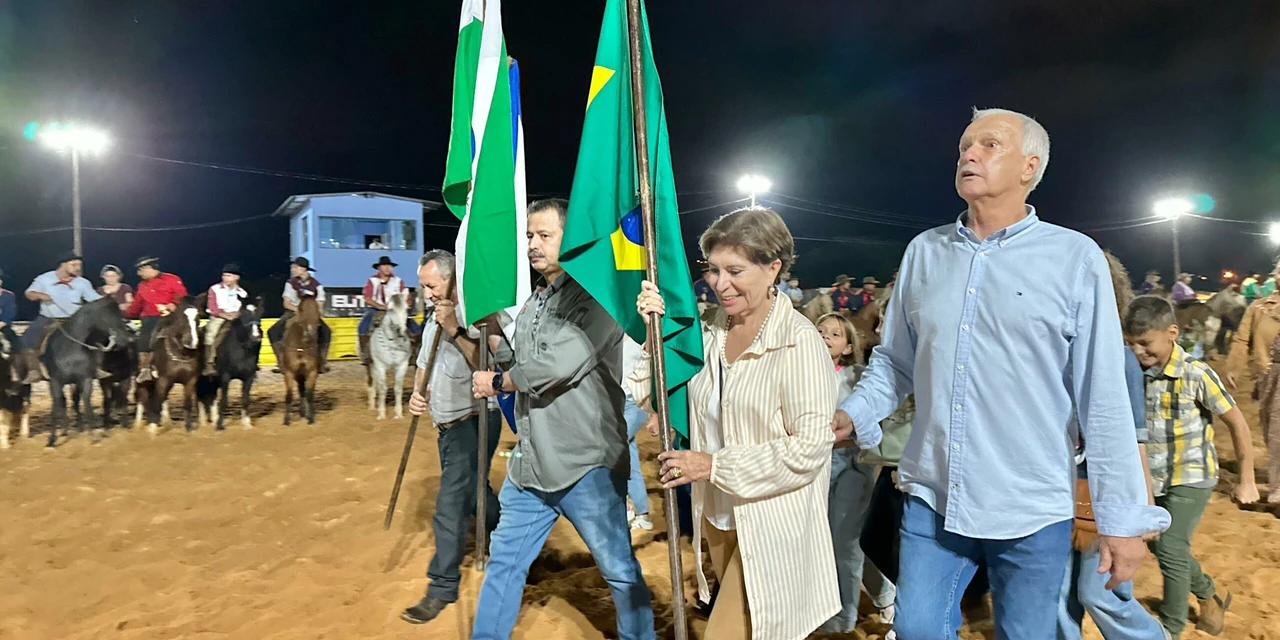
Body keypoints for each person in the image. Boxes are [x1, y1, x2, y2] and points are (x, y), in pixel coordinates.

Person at [832, 108, 1168, 639]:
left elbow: (1102, 399)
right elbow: (896, 362)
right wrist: (854, 413)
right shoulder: (925, 253)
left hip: (1031, 506)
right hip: (936, 497)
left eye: (989, 145)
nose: (969, 154)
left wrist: (1123, 520)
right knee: (918, 630)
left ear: (1030, 167)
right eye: (964, 146)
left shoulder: (1074, 259)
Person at [633, 206, 840, 640]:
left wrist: (713, 465)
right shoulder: (709, 330)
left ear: (773, 268)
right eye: (713, 269)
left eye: (735, 271)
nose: (719, 283)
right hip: (719, 517)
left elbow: (809, 449)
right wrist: (655, 332)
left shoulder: (799, 343)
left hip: (772, 525)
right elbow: (653, 395)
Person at [468, 199, 654, 640]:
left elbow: (557, 366)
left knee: (620, 572)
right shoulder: (536, 302)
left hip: (585, 466)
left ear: (569, 240)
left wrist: (498, 383)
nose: (533, 244)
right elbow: (521, 358)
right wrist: (493, 331)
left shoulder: (597, 299)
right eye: (529, 236)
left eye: (544, 235)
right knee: (504, 564)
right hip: (531, 468)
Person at [1124, 295, 1258, 637]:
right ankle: (1209, 595)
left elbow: (1237, 423)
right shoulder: (1133, 374)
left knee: (1170, 547)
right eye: (1131, 343)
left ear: (1172, 333)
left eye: (1145, 343)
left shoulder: (1196, 373)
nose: (1138, 351)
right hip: (1154, 477)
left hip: (1192, 475)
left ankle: (1172, 626)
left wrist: (1246, 479)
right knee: (1160, 543)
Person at [1056, 252, 1169, 640]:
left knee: (1100, 592)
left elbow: (1134, 438)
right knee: (1056, 599)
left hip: (1103, 496)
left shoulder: (1119, 359)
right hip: (1052, 493)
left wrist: (1143, 506)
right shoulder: (1046, 356)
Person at [399, 249, 505, 625]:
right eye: (423, 286)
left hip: (474, 419)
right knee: (476, 491)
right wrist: (417, 393)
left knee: (450, 502)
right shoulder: (432, 316)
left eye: (432, 285)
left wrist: (453, 328)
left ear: (452, 279)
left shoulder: (475, 314)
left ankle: (442, 586)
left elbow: (487, 365)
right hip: (445, 424)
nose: (426, 293)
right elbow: (423, 365)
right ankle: (506, 533)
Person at [816, 312, 896, 634]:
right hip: (815, 468)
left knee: (843, 543)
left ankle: (843, 619)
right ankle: (886, 594)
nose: (826, 337)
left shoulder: (858, 378)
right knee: (837, 541)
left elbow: (872, 424)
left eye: (835, 334)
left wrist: (835, 439)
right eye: (821, 330)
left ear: (848, 347)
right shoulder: (802, 374)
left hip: (851, 465)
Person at [1225, 262, 1280, 505]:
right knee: (1272, 430)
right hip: (1269, 376)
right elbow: (1241, 339)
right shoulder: (1259, 307)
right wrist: (1233, 366)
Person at [20, 252, 103, 384]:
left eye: (79, 265)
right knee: (27, 339)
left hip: (75, 320)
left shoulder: (82, 283)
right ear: (63, 265)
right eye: (74, 265)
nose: (78, 268)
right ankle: (34, 370)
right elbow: (29, 293)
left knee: (98, 338)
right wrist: (39, 295)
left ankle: (96, 368)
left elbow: (93, 298)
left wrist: (106, 302)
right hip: (49, 318)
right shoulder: (44, 279)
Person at [126, 257, 189, 383]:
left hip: (170, 317)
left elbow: (182, 295)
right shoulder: (142, 286)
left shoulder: (171, 279)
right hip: (149, 318)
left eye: (140, 270)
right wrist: (125, 314)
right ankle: (144, 368)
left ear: (148, 268)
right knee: (142, 341)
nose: (138, 274)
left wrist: (174, 304)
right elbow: (136, 306)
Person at [267, 257, 332, 374]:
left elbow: (320, 303)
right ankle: (281, 362)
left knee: (326, 331)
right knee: (273, 331)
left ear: (303, 269)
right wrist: (300, 311)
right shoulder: (291, 283)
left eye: (295, 267)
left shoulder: (317, 285)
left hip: (311, 313)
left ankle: (322, 361)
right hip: (293, 311)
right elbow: (287, 303)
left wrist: (314, 313)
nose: (293, 270)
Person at [621, 334, 654, 531]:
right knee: (629, 454)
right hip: (615, 402)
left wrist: (654, 411)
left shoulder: (637, 337)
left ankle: (625, 504)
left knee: (614, 447)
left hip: (635, 403)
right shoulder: (609, 336)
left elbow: (651, 369)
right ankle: (643, 513)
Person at [358, 256, 416, 364]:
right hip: (377, 309)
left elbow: (407, 297)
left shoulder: (398, 281)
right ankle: (365, 353)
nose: (387, 268)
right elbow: (367, 298)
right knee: (363, 327)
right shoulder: (372, 280)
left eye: (389, 266)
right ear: (379, 268)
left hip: (396, 309)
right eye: (384, 266)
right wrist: (380, 306)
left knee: (415, 327)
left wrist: (404, 306)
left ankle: (414, 353)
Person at [202, 264, 249, 376]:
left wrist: (237, 314)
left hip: (236, 317)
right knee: (210, 335)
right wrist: (225, 315)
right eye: (224, 275)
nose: (225, 278)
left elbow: (244, 306)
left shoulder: (242, 292)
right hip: (219, 317)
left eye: (229, 276)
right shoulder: (215, 289)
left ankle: (251, 361)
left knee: (251, 332)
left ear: (236, 277)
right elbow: (212, 306)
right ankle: (209, 363)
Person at [0, 268, 18, 368]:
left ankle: (16, 370)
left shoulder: (8, 295)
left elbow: (9, 314)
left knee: (17, 345)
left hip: (3, 326)